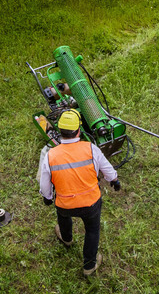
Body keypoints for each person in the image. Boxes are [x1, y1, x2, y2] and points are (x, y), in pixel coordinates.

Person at [38, 109, 120, 275]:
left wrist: (47, 198)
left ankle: (66, 238)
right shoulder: (91, 149)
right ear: (78, 131)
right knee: (92, 230)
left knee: (63, 216)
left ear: (60, 131)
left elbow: (45, 183)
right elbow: (108, 170)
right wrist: (114, 181)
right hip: (91, 204)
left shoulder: (51, 155)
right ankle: (89, 265)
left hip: (65, 204)